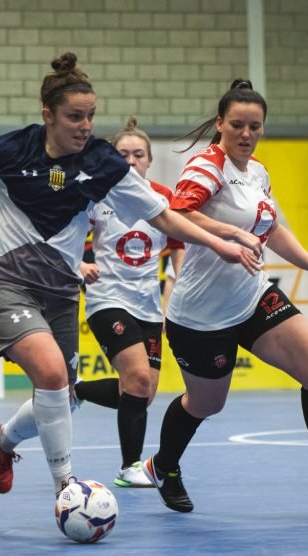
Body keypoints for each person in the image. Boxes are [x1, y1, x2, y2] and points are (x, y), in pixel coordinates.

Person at [0, 54, 261, 500]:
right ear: (48, 115)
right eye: (74, 117)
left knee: (63, 394)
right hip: (2, 282)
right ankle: (67, 489)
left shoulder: (103, 163)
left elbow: (163, 216)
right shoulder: (6, 149)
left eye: (90, 116)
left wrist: (220, 243)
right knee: (50, 373)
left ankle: (1, 441)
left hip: (60, 294)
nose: (85, 126)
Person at [143, 80, 308, 512]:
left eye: (255, 126)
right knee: (206, 404)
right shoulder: (207, 167)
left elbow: (271, 229)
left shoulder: (257, 171)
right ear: (220, 123)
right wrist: (232, 233)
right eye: (237, 124)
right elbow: (179, 213)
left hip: (252, 297)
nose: (246, 133)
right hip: (201, 317)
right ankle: (164, 467)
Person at [74, 116, 187, 488]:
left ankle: (74, 390)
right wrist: (81, 263)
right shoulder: (96, 195)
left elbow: (177, 251)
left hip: (149, 306)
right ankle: (130, 467)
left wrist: (172, 301)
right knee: (137, 378)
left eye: (138, 154)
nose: (130, 161)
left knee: (143, 392)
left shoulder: (161, 198)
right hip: (107, 299)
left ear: (149, 161)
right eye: (122, 154)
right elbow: (67, 237)